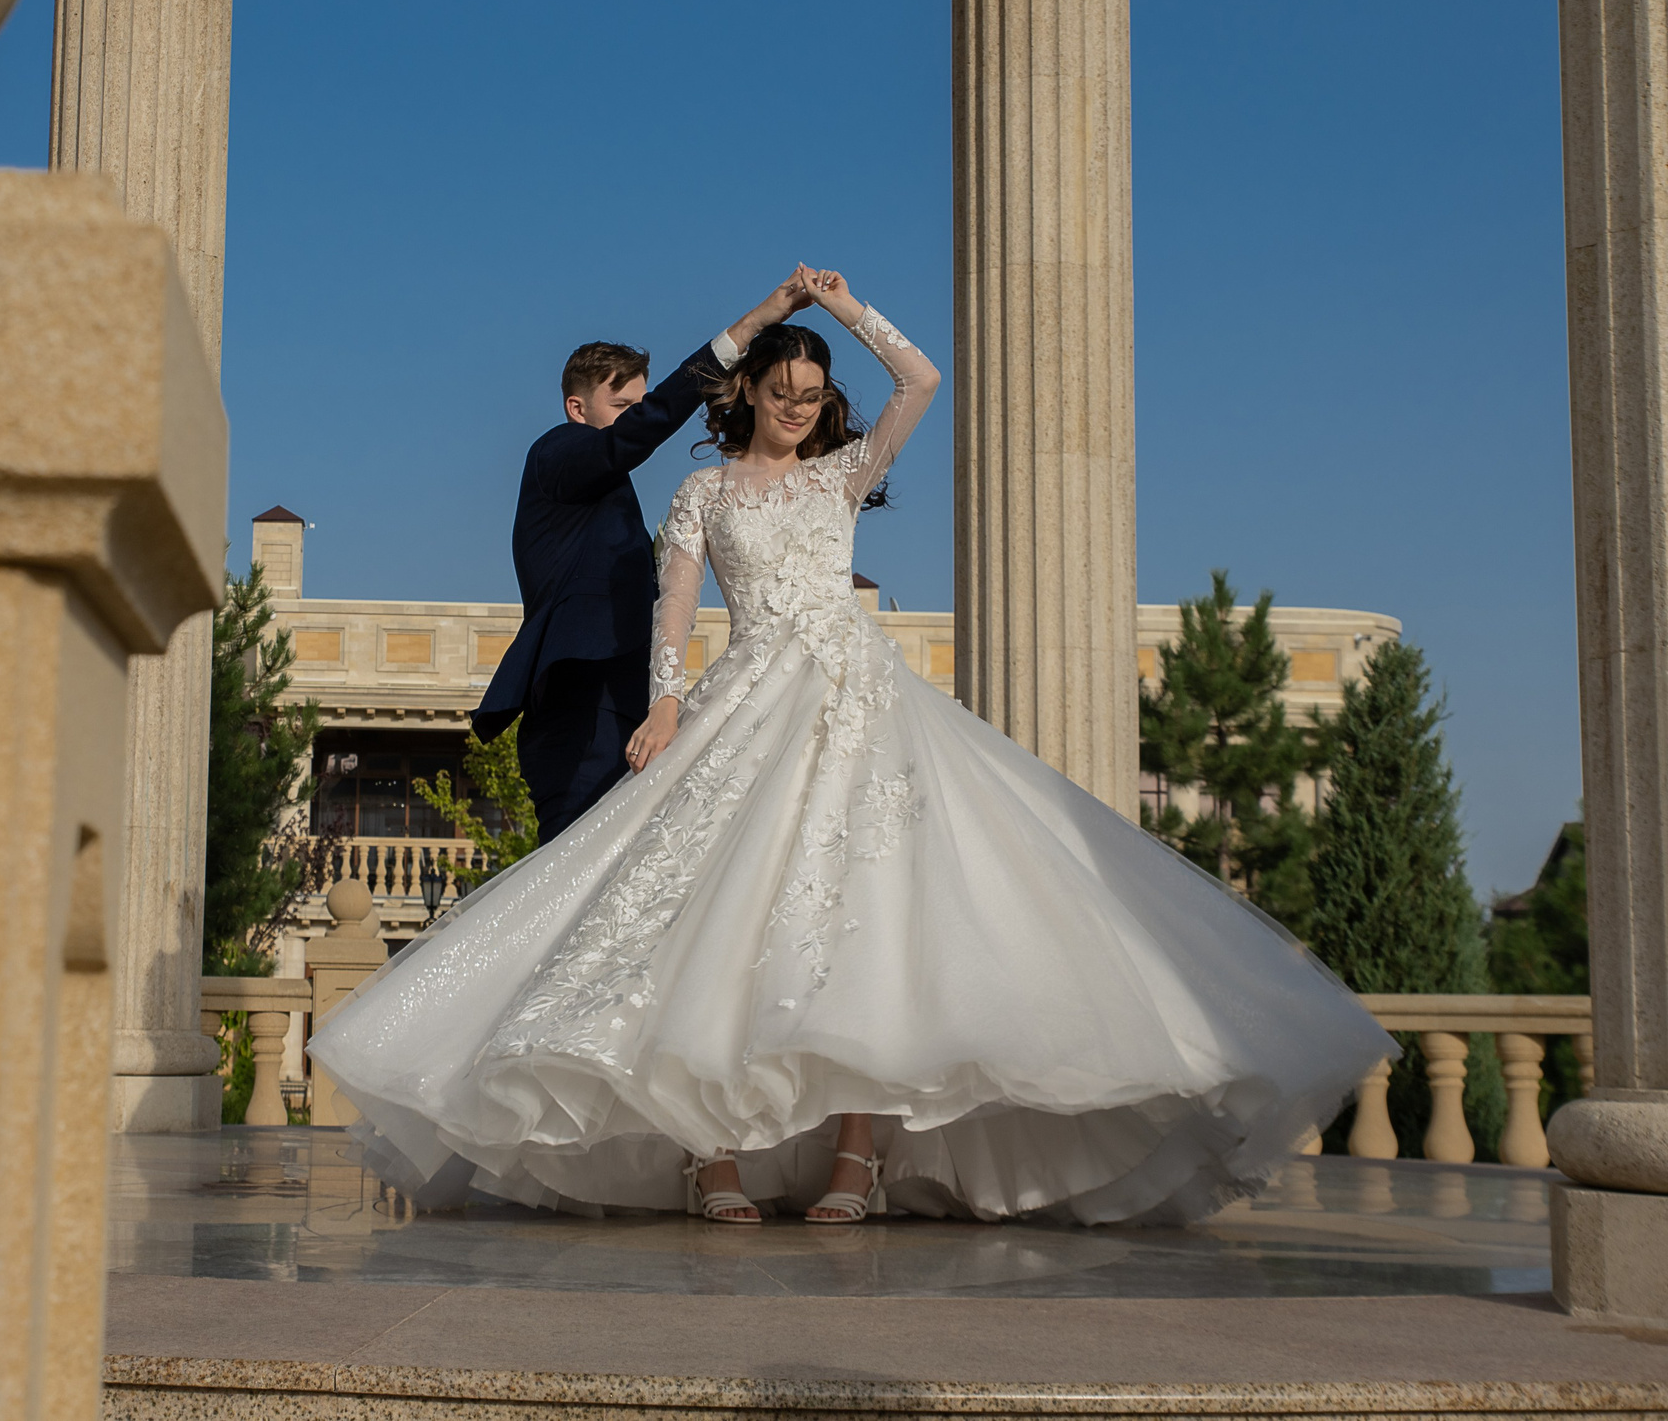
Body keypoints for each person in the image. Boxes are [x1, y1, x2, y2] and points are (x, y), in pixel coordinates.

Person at [312, 266, 1395, 1229]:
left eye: (810, 399)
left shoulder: (842, 476)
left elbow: (921, 382)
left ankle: (858, 1157)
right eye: (780, 396)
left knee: (874, 921)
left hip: (858, 702)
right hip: (744, 700)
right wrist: (664, 704)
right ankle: (711, 1153)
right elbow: (674, 612)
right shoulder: (698, 490)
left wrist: (844, 308)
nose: (795, 412)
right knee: (704, 920)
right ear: (749, 397)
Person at [474, 275, 820, 845]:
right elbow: (643, 430)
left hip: (621, 695)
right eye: (622, 405)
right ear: (576, 407)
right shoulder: (557, 452)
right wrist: (756, 321)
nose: (635, 415)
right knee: (569, 866)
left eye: (640, 402)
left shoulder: (603, 491)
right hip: (583, 699)